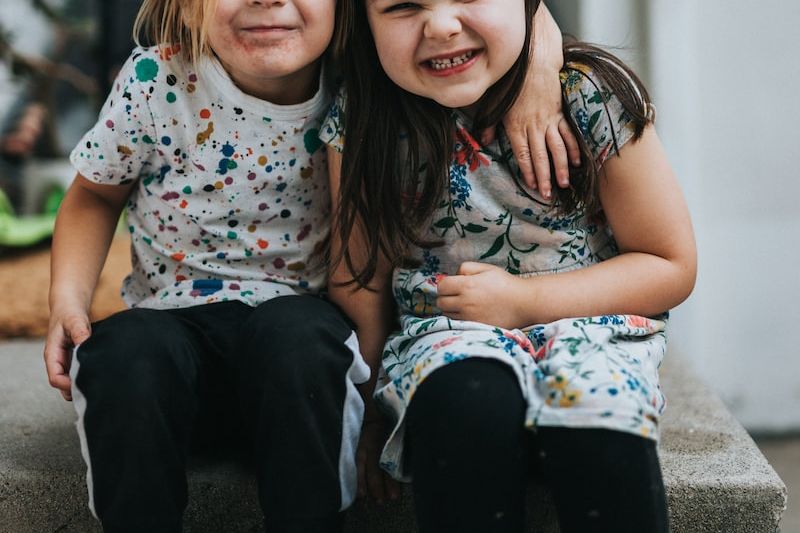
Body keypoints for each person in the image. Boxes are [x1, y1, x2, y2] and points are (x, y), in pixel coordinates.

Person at [43, 0, 575, 531]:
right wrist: (67, 300)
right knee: (122, 349)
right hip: (171, 350)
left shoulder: (363, 77)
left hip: (302, 375)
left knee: (298, 337)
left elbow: (527, 12)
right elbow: (94, 196)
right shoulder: (155, 81)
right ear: (185, 8)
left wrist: (538, 74)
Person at [324, 0, 697, 532]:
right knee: (462, 406)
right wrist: (362, 419)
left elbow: (669, 263)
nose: (441, 25)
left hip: (594, 329)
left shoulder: (588, 95)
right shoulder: (365, 115)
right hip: (447, 334)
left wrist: (524, 303)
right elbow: (359, 285)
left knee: (596, 415)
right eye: (403, 6)